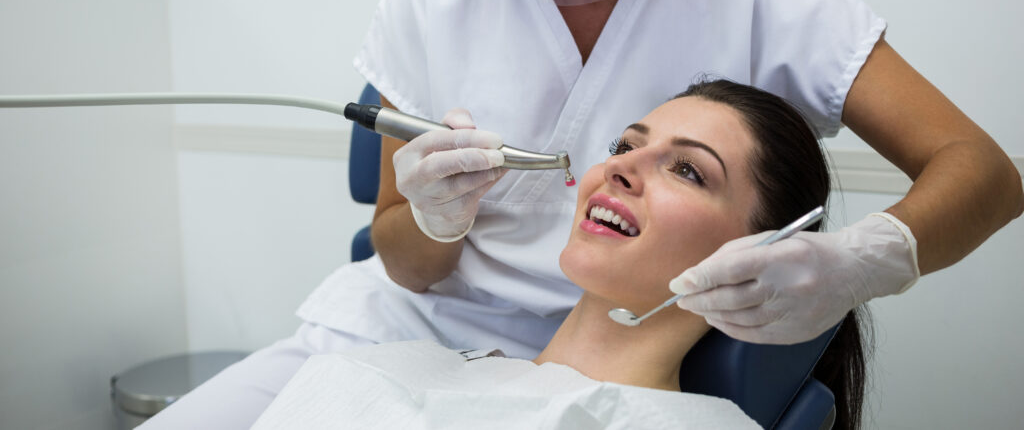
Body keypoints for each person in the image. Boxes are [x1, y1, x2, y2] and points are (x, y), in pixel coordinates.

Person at [143, 0, 1022, 426]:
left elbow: (982, 169)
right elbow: (399, 255)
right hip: (400, 345)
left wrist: (859, 263)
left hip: (603, 371)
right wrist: (435, 221)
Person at [251, 81, 866, 430]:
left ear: (759, 256)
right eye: (624, 144)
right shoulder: (430, 366)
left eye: (687, 169)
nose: (620, 167)